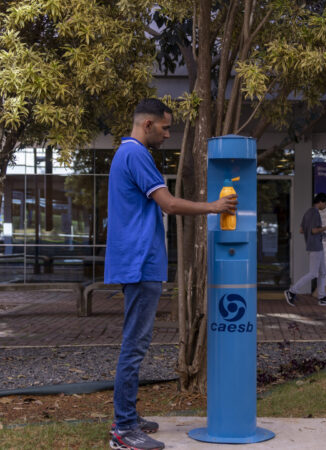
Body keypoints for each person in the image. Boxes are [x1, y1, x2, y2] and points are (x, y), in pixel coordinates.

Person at [105, 98, 237, 450]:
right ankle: (122, 429)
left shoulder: (126, 153)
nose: (167, 134)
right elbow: (170, 203)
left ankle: (129, 419)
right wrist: (215, 207)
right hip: (140, 262)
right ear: (147, 124)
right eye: (165, 128)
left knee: (136, 342)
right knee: (134, 345)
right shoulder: (136, 155)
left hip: (137, 261)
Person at [284, 193, 326, 307]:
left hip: (314, 245)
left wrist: (321, 233)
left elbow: (301, 230)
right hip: (315, 246)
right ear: (321, 202)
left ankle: (322, 297)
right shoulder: (315, 213)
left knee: (323, 272)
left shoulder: (308, 212)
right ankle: (292, 291)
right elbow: (313, 230)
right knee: (313, 273)